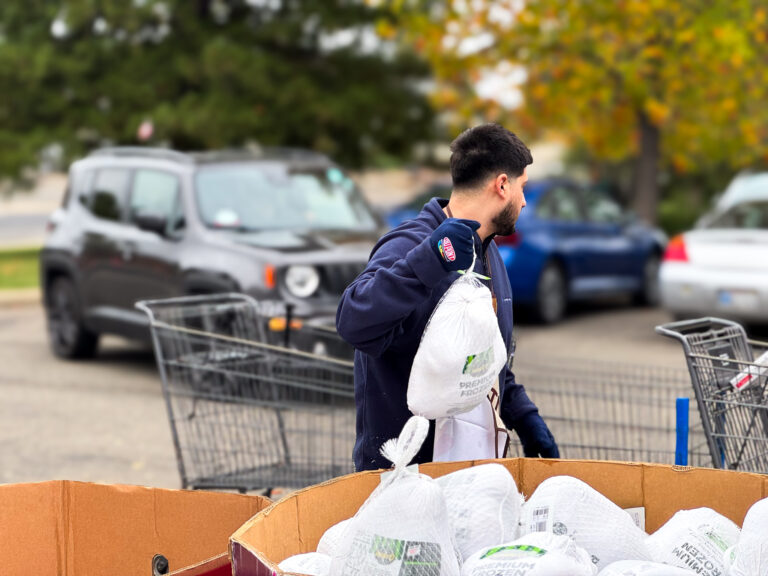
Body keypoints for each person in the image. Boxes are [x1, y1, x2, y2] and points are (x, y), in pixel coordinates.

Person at [336, 123, 559, 471]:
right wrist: (431, 259)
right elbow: (352, 321)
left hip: (467, 478)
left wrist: (523, 415)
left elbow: (482, 356)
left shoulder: (488, 253)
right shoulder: (412, 244)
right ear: (502, 185)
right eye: (522, 187)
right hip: (403, 480)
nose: (524, 200)